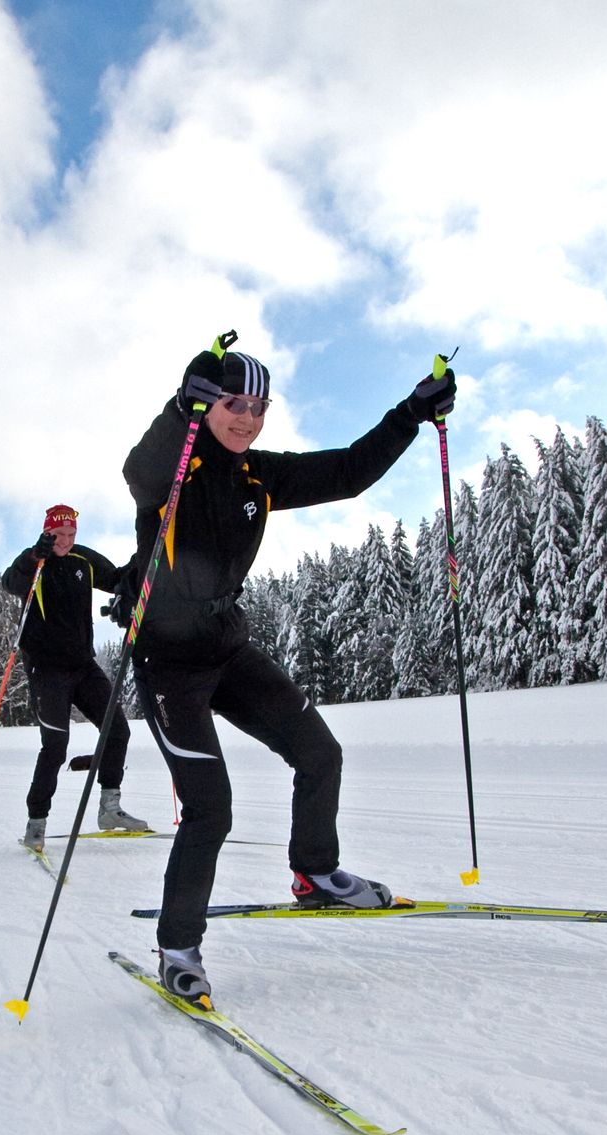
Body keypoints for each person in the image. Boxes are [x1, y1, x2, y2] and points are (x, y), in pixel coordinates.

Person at [117, 333, 455, 1004]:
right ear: (208, 405)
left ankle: (316, 874)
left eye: (259, 408)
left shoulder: (258, 475)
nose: (247, 419)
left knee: (320, 753)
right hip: (168, 661)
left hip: (226, 645)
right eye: (234, 404)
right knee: (210, 809)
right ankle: (179, 949)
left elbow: (348, 471)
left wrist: (412, 412)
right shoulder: (174, 466)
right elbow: (139, 469)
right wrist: (179, 408)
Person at [1, 504, 147, 851]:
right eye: (58, 535)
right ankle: (36, 823)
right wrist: (33, 557)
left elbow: (117, 578)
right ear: (46, 532)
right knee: (55, 747)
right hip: (47, 670)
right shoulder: (34, 561)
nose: (65, 541)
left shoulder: (82, 559)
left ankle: (110, 808)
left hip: (83, 666)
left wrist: (146, 556)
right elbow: (10, 582)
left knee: (117, 730)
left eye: (70, 534)